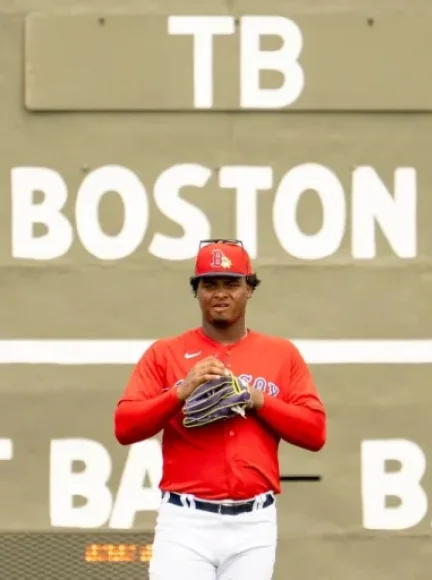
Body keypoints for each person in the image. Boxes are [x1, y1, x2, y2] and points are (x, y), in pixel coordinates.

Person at [113, 238, 327, 580]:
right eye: (209, 284)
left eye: (232, 283)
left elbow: (315, 433)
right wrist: (180, 391)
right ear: (196, 291)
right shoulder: (165, 353)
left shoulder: (281, 354)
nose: (220, 293)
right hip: (185, 521)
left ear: (249, 289)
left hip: (254, 522)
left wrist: (258, 399)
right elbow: (125, 427)